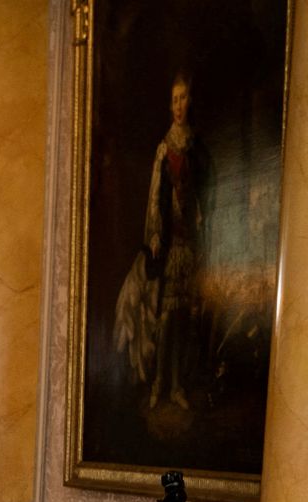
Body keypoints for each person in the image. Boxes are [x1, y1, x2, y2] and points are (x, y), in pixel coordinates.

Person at [113, 75, 208, 410]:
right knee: (166, 319)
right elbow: (155, 197)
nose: (179, 105)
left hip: (189, 243)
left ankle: (178, 386)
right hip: (167, 245)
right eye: (174, 99)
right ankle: (158, 384)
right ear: (170, 105)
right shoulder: (164, 149)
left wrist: (200, 222)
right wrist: (154, 234)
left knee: (183, 318)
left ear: (190, 102)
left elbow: (200, 194)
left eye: (183, 98)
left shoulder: (195, 147)